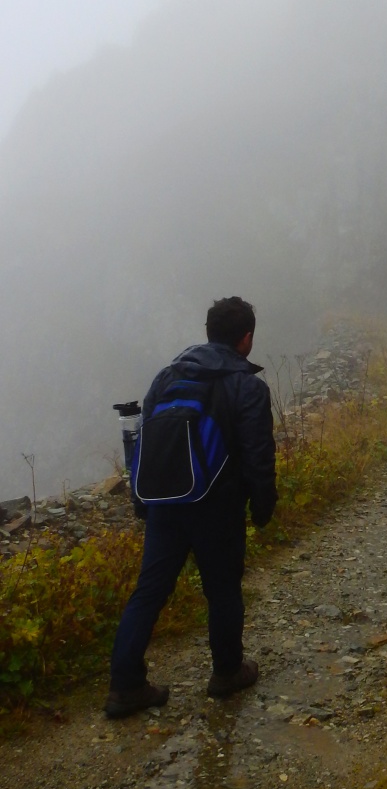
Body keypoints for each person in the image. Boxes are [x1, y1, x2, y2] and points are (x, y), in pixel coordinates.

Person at [104, 296, 277, 718]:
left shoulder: (167, 377)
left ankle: (125, 687)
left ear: (208, 332)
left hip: (164, 502)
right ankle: (226, 673)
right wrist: (263, 506)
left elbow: (143, 444)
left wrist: (142, 502)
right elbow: (258, 454)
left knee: (148, 592)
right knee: (221, 589)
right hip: (217, 506)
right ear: (247, 339)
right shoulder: (247, 386)